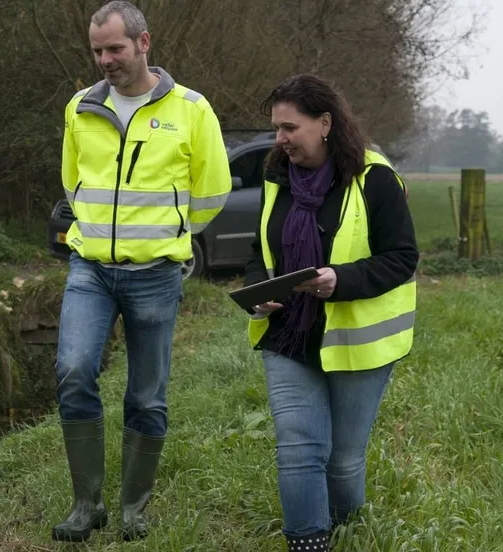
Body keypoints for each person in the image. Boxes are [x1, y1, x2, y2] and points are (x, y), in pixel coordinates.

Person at [52, 0, 231, 543]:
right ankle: (88, 504)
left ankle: (134, 508)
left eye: (115, 48)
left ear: (144, 43)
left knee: (147, 395)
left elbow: (213, 191)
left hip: (156, 273)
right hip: (90, 268)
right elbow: (71, 183)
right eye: (97, 50)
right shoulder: (79, 107)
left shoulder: (192, 109)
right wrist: (97, 231)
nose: (105, 59)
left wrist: (167, 236)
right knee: (74, 372)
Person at [244, 74, 418, 551]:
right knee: (300, 449)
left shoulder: (375, 177)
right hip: (287, 335)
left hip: (358, 342)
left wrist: (341, 280)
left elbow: (402, 258)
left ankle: (347, 532)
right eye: (277, 128)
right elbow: (261, 249)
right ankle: (308, 542)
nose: (280, 139)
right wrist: (256, 288)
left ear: (325, 123)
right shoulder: (275, 174)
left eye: (289, 128)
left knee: (342, 462)